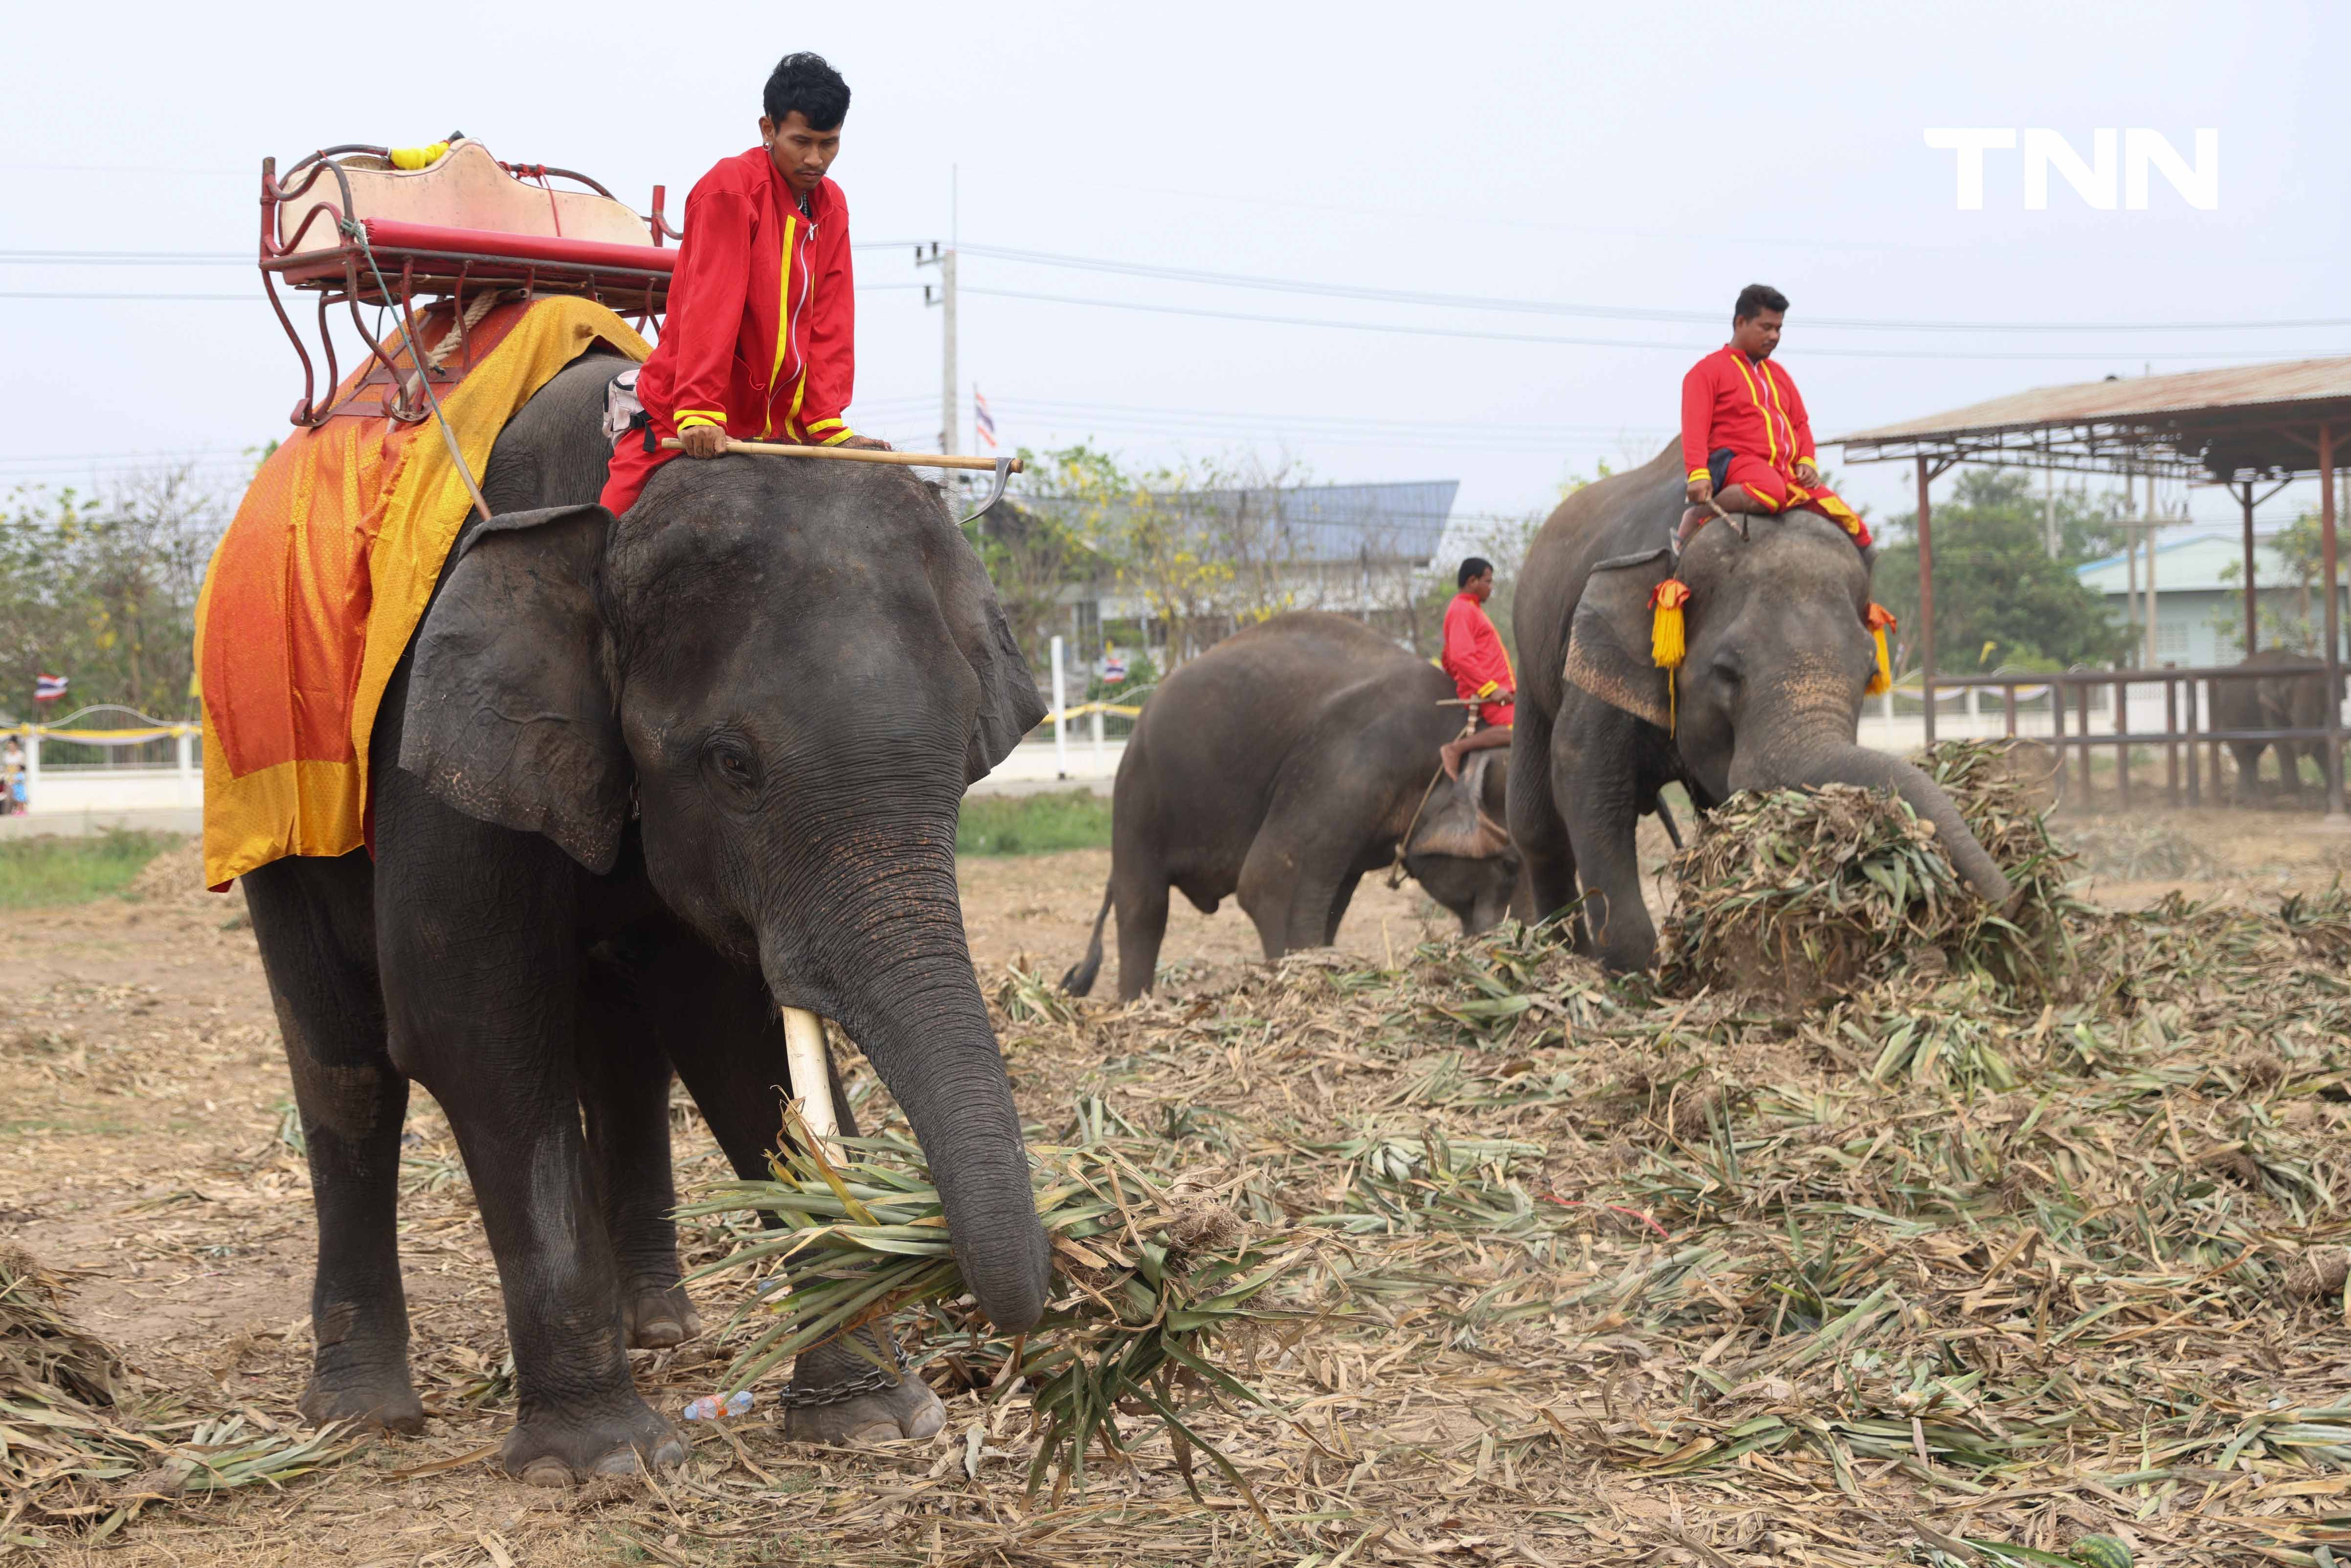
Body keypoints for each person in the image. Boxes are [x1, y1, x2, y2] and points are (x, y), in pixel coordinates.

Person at [599, 51, 889, 516]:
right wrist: (699, 411)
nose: (816, 160)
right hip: (689, 413)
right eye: (802, 142)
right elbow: (710, 307)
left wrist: (827, 423)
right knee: (610, 535)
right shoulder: (731, 188)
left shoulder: (832, 205)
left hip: (777, 425)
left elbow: (831, 320)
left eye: (829, 143)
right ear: (768, 130)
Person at [1676, 284, 1870, 553]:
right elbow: (1694, 426)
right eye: (1766, 327)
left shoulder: (1779, 374)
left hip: (1788, 474)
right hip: (1739, 465)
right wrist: (1697, 474)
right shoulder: (1707, 371)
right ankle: (1701, 513)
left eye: (1778, 329)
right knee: (1770, 492)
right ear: (1741, 322)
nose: (1774, 336)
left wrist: (1806, 461)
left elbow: (1800, 423)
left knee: (1856, 528)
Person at [1438, 558, 1515, 779]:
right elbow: (1460, 657)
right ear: (1473, 581)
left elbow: (1447, 657)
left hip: (1499, 690)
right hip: (1489, 693)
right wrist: (1490, 689)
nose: (1491, 588)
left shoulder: (1471, 609)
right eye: (1488, 582)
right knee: (1518, 732)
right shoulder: (1462, 610)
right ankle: (1455, 750)